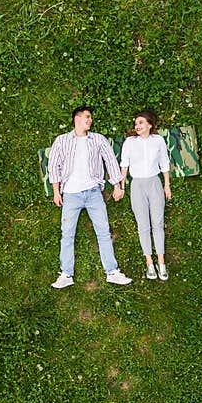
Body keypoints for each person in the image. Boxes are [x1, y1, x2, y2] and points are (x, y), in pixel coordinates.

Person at [47, 105, 132, 289]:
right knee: (67, 234)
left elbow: (110, 160)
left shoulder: (98, 139)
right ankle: (66, 274)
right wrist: (56, 191)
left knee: (103, 232)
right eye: (87, 117)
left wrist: (117, 185)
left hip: (93, 192)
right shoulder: (61, 141)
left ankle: (112, 272)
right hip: (70, 194)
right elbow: (53, 166)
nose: (90, 120)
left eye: (91, 117)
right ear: (76, 119)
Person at [120, 109, 171, 281]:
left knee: (158, 223)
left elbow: (164, 162)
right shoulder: (129, 142)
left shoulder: (158, 141)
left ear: (150, 124)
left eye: (141, 123)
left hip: (154, 183)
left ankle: (161, 263)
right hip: (137, 185)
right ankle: (149, 262)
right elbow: (124, 165)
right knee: (143, 225)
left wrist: (167, 185)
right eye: (136, 123)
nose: (137, 126)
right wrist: (121, 186)